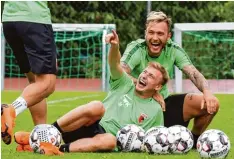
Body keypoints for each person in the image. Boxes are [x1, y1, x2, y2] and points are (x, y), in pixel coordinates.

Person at [14, 30, 169, 154]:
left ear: (157, 87)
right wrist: (114, 47)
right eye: (145, 72)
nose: (144, 76)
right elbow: (115, 64)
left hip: (104, 138)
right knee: (97, 106)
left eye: (151, 76)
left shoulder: (155, 110)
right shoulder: (125, 83)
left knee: (110, 140)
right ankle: (47, 133)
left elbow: (153, 138)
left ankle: (55, 148)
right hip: (86, 124)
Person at [120, 11, 220, 146]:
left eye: (160, 34)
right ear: (145, 33)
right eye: (151, 32)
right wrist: (150, 90)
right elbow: (120, 74)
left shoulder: (173, 49)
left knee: (209, 104)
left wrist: (207, 92)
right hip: (136, 106)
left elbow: (193, 73)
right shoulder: (137, 48)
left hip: (163, 105)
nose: (155, 38)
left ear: (168, 36)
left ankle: (194, 141)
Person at [1, 1, 57, 145]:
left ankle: (41, 138)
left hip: (9, 19)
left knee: (35, 82)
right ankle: (10, 110)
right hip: (34, 18)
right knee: (47, 83)